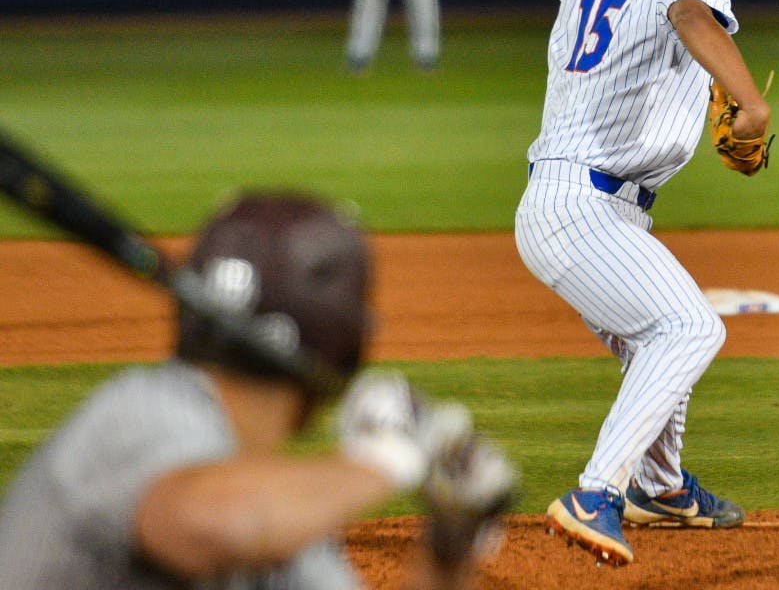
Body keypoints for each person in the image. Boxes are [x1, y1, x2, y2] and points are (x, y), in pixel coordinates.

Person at [0, 192, 516, 589]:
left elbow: (245, 519)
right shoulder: (142, 413)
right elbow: (206, 521)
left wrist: (448, 554)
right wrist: (390, 456)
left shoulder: (283, 524)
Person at [500, 0, 771, 566]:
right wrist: (751, 101)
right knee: (688, 329)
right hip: (583, 207)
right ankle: (596, 494)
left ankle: (662, 487)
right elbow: (686, 13)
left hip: (575, 207)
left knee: (652, 348)